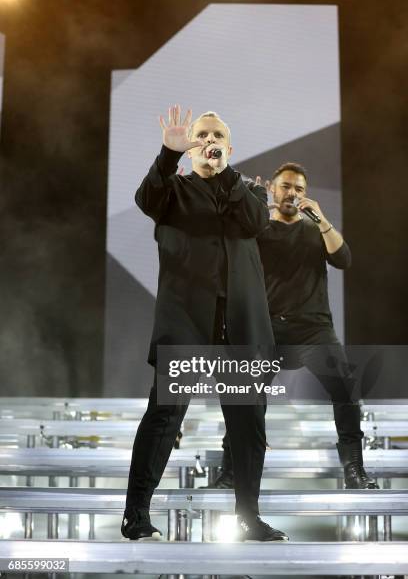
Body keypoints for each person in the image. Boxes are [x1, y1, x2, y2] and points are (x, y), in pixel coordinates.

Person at [121, 105, 289, 542]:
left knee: (248, 425)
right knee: (163, 418)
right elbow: (145, 199)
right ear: (190, 144)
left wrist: (227, 173)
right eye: (202, 135)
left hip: (241, 329)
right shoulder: (171, 190)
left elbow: (256, 223)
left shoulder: (248, 193)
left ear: (229, 149)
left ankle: (248, 518)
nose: (209, 141)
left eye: (217, 136)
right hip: (187, 325)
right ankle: (136, 514)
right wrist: (166, 153)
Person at [207, 162, 379, 491]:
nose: (292, 193)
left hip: (313, 330)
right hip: (267, 329)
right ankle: (231, 470)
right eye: (286, 186)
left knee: (345, 389)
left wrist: (323, 220)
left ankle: (355, 470)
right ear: (273, 188)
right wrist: (249, 213)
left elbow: (343, 259)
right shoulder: (257, 231)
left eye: (299, 189)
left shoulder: (317, 231)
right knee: (244, 395)